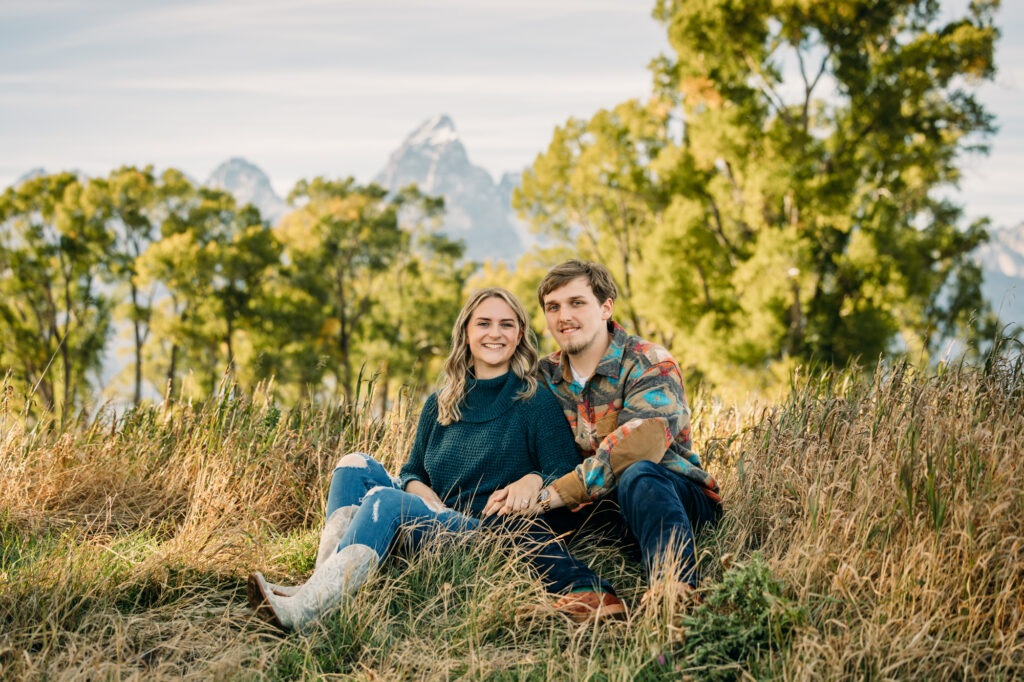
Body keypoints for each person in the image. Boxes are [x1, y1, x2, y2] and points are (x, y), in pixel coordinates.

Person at [247, 287, 625, 632]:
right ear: (466, 333)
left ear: (520, 336)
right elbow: (411, 471)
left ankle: (309, 611)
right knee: (353, 464)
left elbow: (563, 473)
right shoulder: (440, 403)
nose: (495, 333)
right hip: (430, 521)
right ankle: (318, 587)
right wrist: (421, 497)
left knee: (385, 501)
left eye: (506, 325)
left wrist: (532, 481)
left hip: (478, 534)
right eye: (484, 323)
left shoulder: (534, 401)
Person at [502, 260, 723, 607]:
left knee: (638, 474)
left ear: (606, 307)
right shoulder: (542, 375)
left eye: (577, 303)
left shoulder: (648, 360)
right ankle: (588, 597)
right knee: (512, 516)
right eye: (553, 307)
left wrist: (551, 495)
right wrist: (530, 483)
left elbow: (637, 446)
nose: (563, 317)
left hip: (667, 497)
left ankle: (674, 593)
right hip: (595, 509)